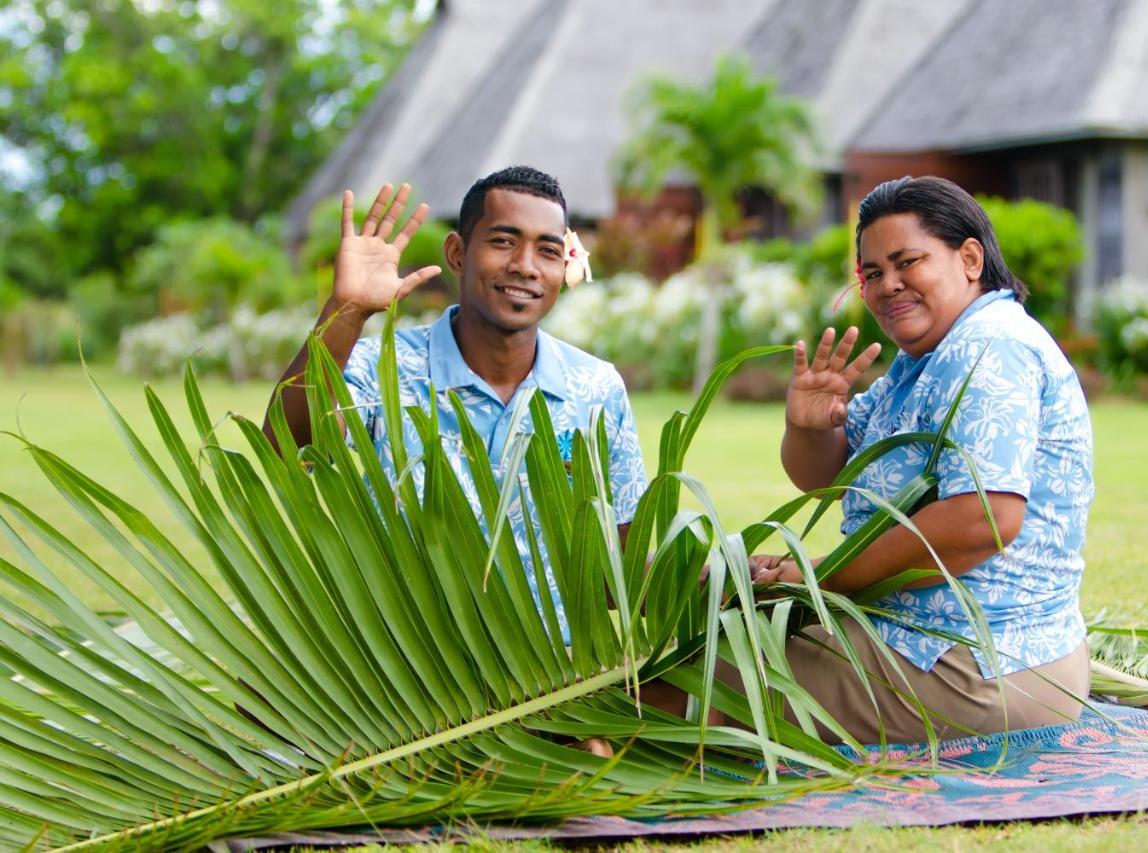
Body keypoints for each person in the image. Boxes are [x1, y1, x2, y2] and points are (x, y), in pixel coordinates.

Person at [741, 175, 1094, 743]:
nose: (888, 286)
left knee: (685, 682)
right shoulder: (923, 362)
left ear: (970, 258)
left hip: (977, 663)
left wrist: (821, 578)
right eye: (873, 273)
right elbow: (827, 480)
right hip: (928, 641)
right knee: (713, 637)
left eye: (908, 262)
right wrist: (806, 428)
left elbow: (984, 520)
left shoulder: (990, 348)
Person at [264, 166, 648, 648]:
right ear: (457, 253)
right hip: (412, 690)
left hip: (552, 685)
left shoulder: (595, 387)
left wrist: (722, 577)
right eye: (504, 242)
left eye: (547, 250)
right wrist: (348, 310)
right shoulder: (384, 367)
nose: (526, 266)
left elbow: (618, 570)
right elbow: (287, 446)